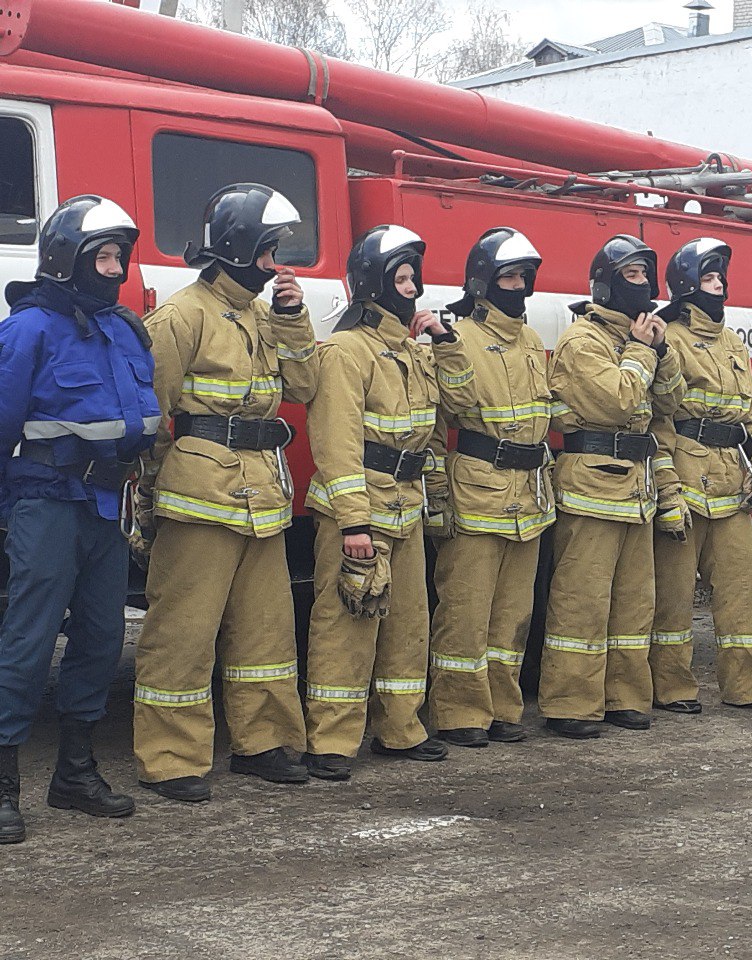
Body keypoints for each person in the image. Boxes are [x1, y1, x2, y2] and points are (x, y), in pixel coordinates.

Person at [133, 183, 318, 802]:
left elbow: (305, 386)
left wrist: (294, 320)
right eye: (269, 252)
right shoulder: (182, 316)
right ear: (238, 248)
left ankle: (262, 743)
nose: (276, 265)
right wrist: (151, 499)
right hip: (198, 497)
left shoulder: (267, 315)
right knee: (182, 633)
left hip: (262, 496)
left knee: (265, 633)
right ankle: (171, 758)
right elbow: (151, 414)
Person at [0, 196, 160, 844]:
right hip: (47, 502)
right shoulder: (29, 329)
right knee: (29, 642)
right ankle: (5, 789)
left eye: (120, 255)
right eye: (104, 254)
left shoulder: (124, 328)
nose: (115, 267)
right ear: (68, 258)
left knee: (99, 638)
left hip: (106, 505)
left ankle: (75, 774)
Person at [300, 224, 449, 781]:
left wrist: (448, 346)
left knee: (408, 626)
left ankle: (401, 730)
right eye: (400, 278)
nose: (411, 289)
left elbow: (435, 427)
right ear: (372, 284)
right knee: (346, 625)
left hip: (405, 506)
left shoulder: (410, 351)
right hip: (361, 511)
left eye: (413, 278)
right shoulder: (345, 351)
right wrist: (352, 524)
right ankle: (332, 742)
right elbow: (336, 444)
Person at [538, 235, 685, 739]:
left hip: (637, 491)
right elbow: (619, 402)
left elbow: (668, 404)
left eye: (647, 276)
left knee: (632, 605)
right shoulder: (584, 341)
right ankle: (571, 704)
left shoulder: (642, 339)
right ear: (606, 283)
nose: (644, 286)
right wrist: (644, 352)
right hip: (592, 488)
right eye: (633, 276)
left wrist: (660, 352)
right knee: (582, 602)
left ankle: (624, 697)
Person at [649, 238, 752, 716]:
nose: (720, 286)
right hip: (684, 483)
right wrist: (667, 492)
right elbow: (657, 422)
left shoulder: (733, 344)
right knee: (671, 600)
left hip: (732, 487)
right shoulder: (665, 338)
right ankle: (671, 688)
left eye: (722, 278)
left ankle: (751, 686)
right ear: (687, 284)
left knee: (745, 591)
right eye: (710, 278)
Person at [427, 227, 555, 748]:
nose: (518, 286)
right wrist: (436, 494)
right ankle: (459, 713)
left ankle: (503, 709)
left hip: (529, 494)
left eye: (524, 277)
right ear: (482, 281)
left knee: (512, 615)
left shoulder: (529, 340)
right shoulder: (456, 337)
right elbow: (439, 421)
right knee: (465, 610)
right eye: (508, 276)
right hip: (478, 490)